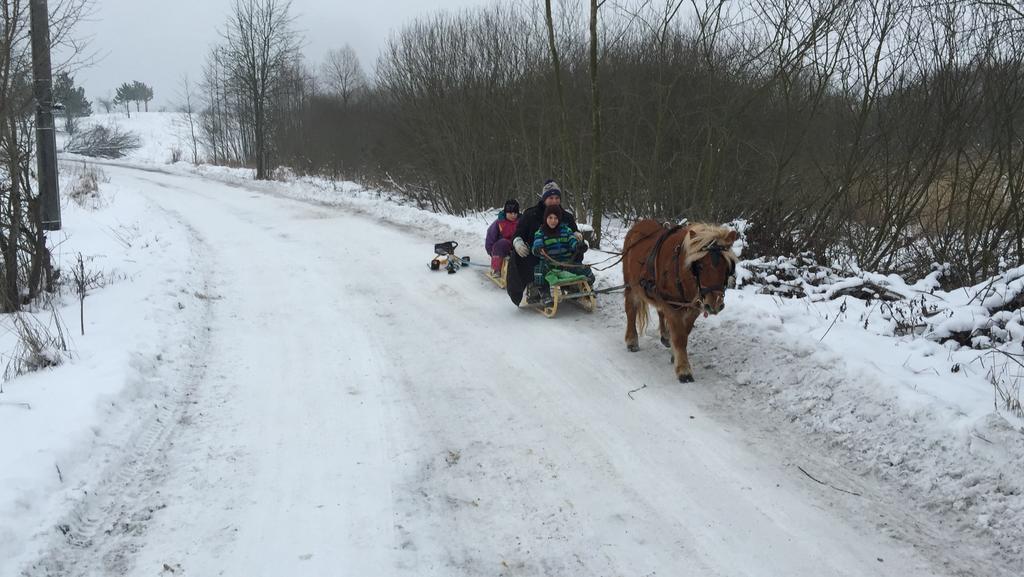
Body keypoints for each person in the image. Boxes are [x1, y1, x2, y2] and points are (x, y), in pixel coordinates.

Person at [505, 179, 586, 305]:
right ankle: (535, 284)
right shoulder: (531, 214)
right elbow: (519, 232)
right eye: (551, 197)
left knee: (577, 250)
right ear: (544, 198)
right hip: (538, 255)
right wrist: (517, 241)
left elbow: (573, 231)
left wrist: (576, 234)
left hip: (561, 255)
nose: (554, 201)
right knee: (524, 255)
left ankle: (569, 282)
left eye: (557, 197)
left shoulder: (566, 216)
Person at [531, 205, 581, 306]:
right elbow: (537, 243)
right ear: (545, 218)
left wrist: (577, 246)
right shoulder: (540, 232)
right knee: (539, 270)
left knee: (584, 270)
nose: (553, 221)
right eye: (550, 218)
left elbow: (571, 239)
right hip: (549, 264)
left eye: (556, 218)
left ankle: (573, 288)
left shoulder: (566, 230)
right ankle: (544, 293)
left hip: (566, 263)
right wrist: (539, 248)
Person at [484, 199, 519, 275]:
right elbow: (491, 235)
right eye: (510, 213)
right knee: (502, 243)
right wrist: (490, 251)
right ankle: (496, 269)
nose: (513, 215)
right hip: (502, 248)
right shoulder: (499, 222)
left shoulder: (521, 221)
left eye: (515, 213)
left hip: (517, 245)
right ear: (506, 212)